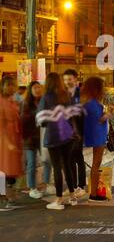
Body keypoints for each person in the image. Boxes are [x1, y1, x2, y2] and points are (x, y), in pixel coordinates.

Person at [36, 73, 78, 211]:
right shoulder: (65, 95)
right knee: (67, 165)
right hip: (68, 135)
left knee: (57, 168)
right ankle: (72, 197)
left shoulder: (46, 98)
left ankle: (59, 199)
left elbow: (41, 120)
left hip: (54, 136)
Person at [81, 77, 114, 203]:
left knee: (96, 165)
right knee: (96, 165)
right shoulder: (92, 103)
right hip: (97, 136)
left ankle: (94, 192)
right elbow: (100, 119)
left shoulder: (90, 102)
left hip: (97, 135)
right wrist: (111, 113)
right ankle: (94, 194)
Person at [21, 81, 54, 199]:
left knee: (47, 160)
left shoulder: (44, 102)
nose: (37, 90)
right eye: (35, 88)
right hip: (30, 139)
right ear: (30, 90)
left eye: (39, 87)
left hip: (42, 137)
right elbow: (23, 121)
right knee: (31, 163)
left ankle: (47, 184)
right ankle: (32, 188)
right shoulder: (25, 104)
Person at [63, 69, 86, 199]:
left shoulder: (80, 93)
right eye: (65, 80)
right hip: (67, 130)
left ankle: (81, 186)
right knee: (69, 158)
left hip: (78, 129)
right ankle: (72, 186)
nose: (67, 82)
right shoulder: (64, 94)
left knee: (78, 157)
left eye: (69, 79)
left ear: (76, 79)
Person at [0, 77, 23, 208]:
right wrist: (8, 142)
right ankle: (5, 197)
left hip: (14, 136)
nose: (11, 87)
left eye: (13, 85)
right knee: (4, 169)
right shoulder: (1, 101)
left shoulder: (13, 100)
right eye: (8, 85)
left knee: (11, 169)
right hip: (4, 139)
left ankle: (9, 196)